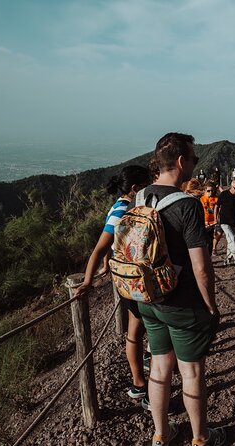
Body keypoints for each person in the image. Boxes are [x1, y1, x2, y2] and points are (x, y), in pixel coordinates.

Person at [135, 132, 225, 446]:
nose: (194, 165)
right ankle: (201, 438)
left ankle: (161, 434)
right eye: (193, 159)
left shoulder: (141, 196)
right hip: (181, 303)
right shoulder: (188, 205)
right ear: (181, 161)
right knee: (191, 373)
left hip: (148, 299)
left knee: (159, 366)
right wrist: (211, 306)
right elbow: (201, 267)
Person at [75, 165, 151, 399]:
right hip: (135, 281)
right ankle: (142, 384)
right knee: (137, 330)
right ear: (136, 188)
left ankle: (141, 381)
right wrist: (88, 280)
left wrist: (107, 262)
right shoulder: (123, 210)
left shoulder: (119, 205)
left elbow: (111, 243)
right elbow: (100, 246)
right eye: (147, 183)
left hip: (130, 279)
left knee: (137, 329)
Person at [217, 179, 235, 268]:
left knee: (232, 241)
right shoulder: (224, 194)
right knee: (232, 238)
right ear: (231, 186)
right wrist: (216, 218)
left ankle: (227, 259)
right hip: (224, 221)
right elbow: (217, 206)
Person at [200, 183, 222, 255]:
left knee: (212, 238)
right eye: (208, 191)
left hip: (214, 221)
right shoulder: (202, 199)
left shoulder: (216, 198)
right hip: (204, 221)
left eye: (212, 191)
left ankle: (210, 254)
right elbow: (205, 209)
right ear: (204, 191)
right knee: (205, 239)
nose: (210, 192)